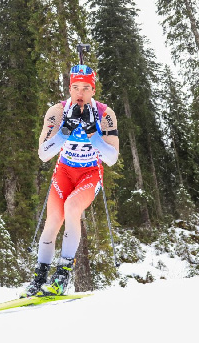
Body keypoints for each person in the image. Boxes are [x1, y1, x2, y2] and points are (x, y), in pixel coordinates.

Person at [22, 64, 119, 297]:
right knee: (54, 219)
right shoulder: (57, 111)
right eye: (75, 87)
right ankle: (39, 277)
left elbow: (112, 158)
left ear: (93, 90)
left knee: (72, 207)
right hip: (64, 172)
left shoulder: (105, 114)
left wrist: (92, 135)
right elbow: (44, 154)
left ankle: (63, 275)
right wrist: (65, 130)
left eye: (86, 88)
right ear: (69, 88)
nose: (80, 93)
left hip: (90, 173)